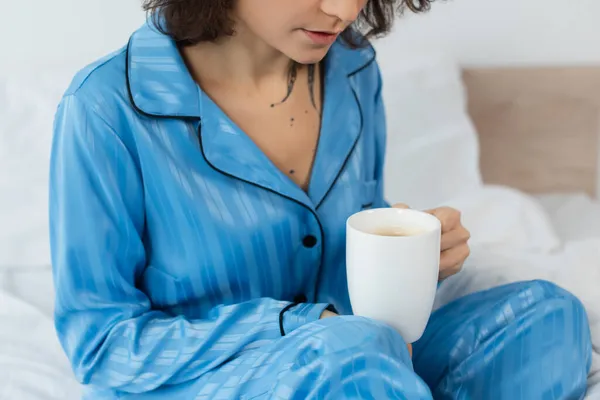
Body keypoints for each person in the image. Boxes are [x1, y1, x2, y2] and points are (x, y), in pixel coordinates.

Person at [48, 0, 592, 398]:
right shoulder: (104, 110)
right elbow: (102, 344)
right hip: (207, 380)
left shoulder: (351, 69)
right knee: (353, 360)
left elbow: (348, 253)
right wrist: (306, 326)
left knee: (547, 316)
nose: (341, 9)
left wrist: (410, 258)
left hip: (362, 362)